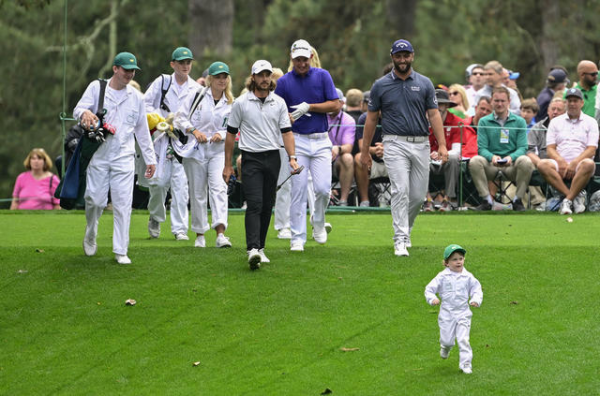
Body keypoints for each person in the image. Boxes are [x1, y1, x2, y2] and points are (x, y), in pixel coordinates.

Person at [360, 39, 448, 257]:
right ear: (392, 57)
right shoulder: (380, 85)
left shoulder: (425, 83)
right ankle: (399, 238)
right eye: (398, 56)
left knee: (418, 197)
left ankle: (405, 230)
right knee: (400, 190)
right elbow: (371, 119)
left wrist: (443, 145)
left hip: (421, 143)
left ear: (412, 56)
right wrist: (365, 151)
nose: (402, 60)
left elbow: (434, 114)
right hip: (394, 142)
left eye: (406, 55)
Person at [74, 51, 156, 265]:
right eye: (126, 70)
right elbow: (78, 109)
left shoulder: (137, 97)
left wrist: (150, 159)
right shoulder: (97, 87)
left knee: (122, 203)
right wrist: (85, 114)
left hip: (124, 157)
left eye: (133, 71)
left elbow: (142, 130)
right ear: (115, 69)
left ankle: (121, 249)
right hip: (99, 154)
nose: (130, 74)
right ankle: (91, 231)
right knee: (95, 199)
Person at [224, 60, 299, 269]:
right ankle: (252, 248)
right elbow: (230, 135)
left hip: (273, 157)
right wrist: (227, 165)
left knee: (267, 204)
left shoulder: (279, 102)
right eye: (261, 75)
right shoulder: (241, 103)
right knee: (255, 202)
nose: (265, 79)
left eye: (267, 75)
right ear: (253, 77)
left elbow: (287, 132)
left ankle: (261, 248)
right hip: (251, 158)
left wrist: (292, 157)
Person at [274, 39, 341, 252]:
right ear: (292, 59)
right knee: (298, 189)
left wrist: (310, 106)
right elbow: (276, 110)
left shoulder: (322, 76)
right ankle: (297, 237)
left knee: (322, 189)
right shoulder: (284, 82)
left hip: (321, 140)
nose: (301, 63)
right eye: (297, 60)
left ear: (310, 57)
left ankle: (318, 222)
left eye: (304, 59)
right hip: (297, 141)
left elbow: (335, 105)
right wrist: (286, 118)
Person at [174, 61, 233, 248]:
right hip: (195, 150)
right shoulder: (196, 95)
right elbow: (179, 118)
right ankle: (200, 234)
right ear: (210, 79)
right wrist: (193, 130)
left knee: (219, 189)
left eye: (224, 77)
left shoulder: (232, 102)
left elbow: (235, 128)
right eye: (218, 77)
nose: (221, 80)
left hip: (218, 151)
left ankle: (221, 234)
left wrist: (221, 134)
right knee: (198, 192)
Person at [144, 47, 197, 241]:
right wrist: (161, 120)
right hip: (161, 139)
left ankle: (180, 229)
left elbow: (198, 115)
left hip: (183, 142)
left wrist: (183, 124)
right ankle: (156, 216)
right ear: (173, 64)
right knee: (158, 184)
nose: (185, 66)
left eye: (188, 62)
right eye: (181, 63)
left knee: (181, 187)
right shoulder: (162, 82)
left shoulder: (196, 89)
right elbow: (145, 104)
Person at [469, 86, 533, 211]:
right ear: (491, 101)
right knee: (475, 160)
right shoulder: (483, 122)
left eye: (503, 101)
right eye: (496, 101)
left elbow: (522, 147)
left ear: (509, 102)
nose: (499, 104)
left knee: (526, 161)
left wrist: (511, 157)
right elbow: (481, 148)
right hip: (491, 165)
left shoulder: (519, 121)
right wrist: (491, 157)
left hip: (512, 165)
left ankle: (517, 200)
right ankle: (486, 200)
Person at [538, 88, 599, 215]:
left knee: (589, 163)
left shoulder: (591, 122)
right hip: (560, 164)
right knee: (542, 164)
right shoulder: (555, 122)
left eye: (575, 101)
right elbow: (550, 149)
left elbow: (591, 149)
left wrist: (575, 162)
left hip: (581, 164)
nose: (572, 104)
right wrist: (560, 160)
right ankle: (572, 198)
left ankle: (567, 200)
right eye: (569, 101)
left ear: (582, 103)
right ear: (566, 103)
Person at [425, 244, 483, 375]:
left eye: (461, 258)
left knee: (463, 339)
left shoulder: (468, 277)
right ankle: (445, 347)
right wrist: (432, 299)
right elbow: (429, 289)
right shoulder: (442, 277)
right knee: (447, 340)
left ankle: (466, 364)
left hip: (463, 312)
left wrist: (475, 300)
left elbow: (476, 289)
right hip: (447, 313)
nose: (458, 262)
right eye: (454, 259)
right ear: (446, 263)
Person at [424, 90, 463, 212]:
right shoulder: (423, 121)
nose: (436, 107)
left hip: (447, 160)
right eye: (434, 103)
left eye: (440, 104)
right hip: (429, 160)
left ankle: (448, 200)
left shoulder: (456, 122)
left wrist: (442, 153)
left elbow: (457, 150)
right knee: (418, 158)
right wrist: (429, 154)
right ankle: (427, 200)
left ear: (446, 106)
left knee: (453, 158)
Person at [328, 88, 356, 206]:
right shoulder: (319, 117)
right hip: (318, 156)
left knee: (348, 158)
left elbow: (348, 147)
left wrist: (337, 148)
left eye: (334, 102)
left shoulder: (348, 120)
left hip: (336, 161)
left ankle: (343, 201)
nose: (330, 104)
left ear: (342, 103)